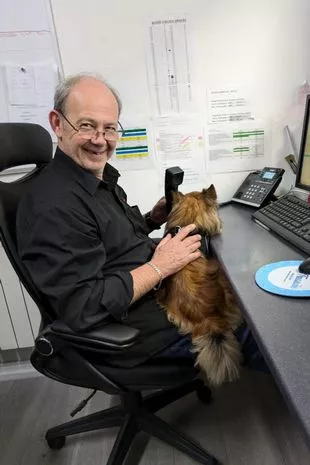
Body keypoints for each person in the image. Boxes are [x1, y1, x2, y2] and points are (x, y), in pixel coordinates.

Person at [16, 73, 268, 372]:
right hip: (130, 329)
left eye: (109, 128)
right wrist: (159, 267)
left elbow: (113, 238)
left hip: (155, 291)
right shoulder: (53, 205)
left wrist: (152, 219)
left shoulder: (94, 179)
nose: (100, 140)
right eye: (86, 126)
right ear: (57, 123)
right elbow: (82, 306)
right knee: (259, 323)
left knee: (239, 283)